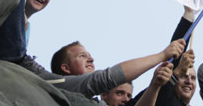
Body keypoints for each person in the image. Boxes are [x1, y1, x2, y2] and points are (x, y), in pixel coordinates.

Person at [47, 40, 186, 98]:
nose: (91, 60)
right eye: (82, 56)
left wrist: (155, 85)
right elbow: (105, 78)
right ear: (65, 68)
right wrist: (162, 55)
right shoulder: (60, 85)